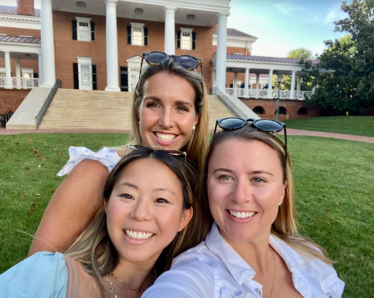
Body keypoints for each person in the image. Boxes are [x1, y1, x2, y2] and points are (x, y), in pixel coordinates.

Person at [28, 52, 210, 256]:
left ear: (196, 118)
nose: (166, 121)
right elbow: (35, 271)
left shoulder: (204, 182)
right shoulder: (98, 171)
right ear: (138, 109)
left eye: (181, 108)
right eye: (153, 105)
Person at [143, 119, 345, 298]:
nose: (240, 196)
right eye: (225, 177)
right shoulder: (194, 274)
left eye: (258, 179)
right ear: (207, 187)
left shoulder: (310, 256)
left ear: (282, 192)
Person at [1, 146, 198, 298]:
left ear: (184, 218)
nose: (140, 214)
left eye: (161, 200)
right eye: (128, 196)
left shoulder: (181, 288)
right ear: (106, 204)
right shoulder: (49, 276)